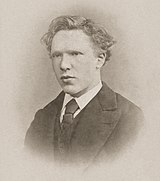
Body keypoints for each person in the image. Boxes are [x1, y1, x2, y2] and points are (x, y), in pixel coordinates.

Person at [25, 15, 144, 167]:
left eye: (75, 54)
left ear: (99, 59)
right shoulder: (41, 118)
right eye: (57, 55)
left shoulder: (130, 119)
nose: (63, 65)